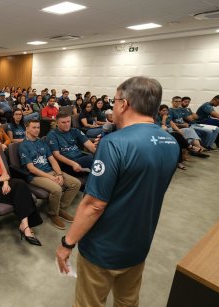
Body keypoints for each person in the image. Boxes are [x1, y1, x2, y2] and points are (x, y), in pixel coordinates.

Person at [56, 76, 179, 307]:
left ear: (124, 104)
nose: (113, 106)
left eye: (114, 101)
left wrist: (67, 243)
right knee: (127, 301)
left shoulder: (114, 143)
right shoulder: (170, 141)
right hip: (139, 242)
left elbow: (94, 204)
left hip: (104, 246)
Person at [19, 119, 81, 230]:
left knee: (75, 183)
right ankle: (53, 214)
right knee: (57, 189)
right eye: (34, 127)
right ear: (27, 128)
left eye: (38, 127)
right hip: (35, 176)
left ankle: (60, 209)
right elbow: (31, 169)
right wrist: (52, 177)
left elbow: (52, 160)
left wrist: (59, 174)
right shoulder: (23, 146)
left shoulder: (42, 142)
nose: (37, 130)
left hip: (50, 171)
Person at [46, 112, 96, 177]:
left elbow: (91, 146)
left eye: (68, 121)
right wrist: (73, 164)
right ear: (57, 123)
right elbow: (57, 155)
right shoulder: (52, 135)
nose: (67, 124)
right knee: (91, 160)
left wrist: (100, 154)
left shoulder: (75, 131)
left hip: (80, 159)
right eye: (63, 122)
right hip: (68, 165)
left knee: (98, 157)